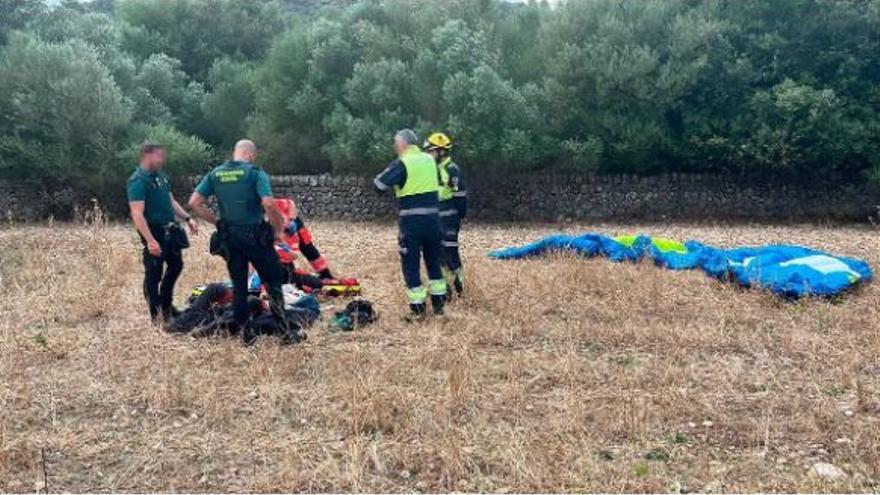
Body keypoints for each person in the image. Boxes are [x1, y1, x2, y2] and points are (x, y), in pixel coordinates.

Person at [188, 139, 302, 345]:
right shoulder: (255, 173)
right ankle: (285, 333)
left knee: (240, 286)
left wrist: (217, 222)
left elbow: (194, 202)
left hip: (230, 236)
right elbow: (268, 203)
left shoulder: (215, 174)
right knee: (273, 281)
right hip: (255, 235)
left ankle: (245, 335)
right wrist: (277, 229)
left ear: (235, 153)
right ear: (251, 155)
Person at [374, 129, 447, 319]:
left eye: (395, 143)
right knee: (434, 263)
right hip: (434, 221)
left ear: (403, 144)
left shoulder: (403, 162)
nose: (394, 146)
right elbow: (439, 184)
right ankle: (439, 309)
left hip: (411, 224)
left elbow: (379, 185)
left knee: (411, 265)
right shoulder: (430, 160)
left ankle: (418, 311)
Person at [127, 142, 198, 325]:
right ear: (148, 155)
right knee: (154, 274)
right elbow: (136, 213)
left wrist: (188, 218)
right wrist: (150, 240)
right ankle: (156, 316)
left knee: (176, 266)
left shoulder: (162, 177)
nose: (162, 160)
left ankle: (166, 306)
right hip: (154, 231)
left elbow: (171, 200)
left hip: (171, 230)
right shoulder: (138, 180)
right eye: (159, 156)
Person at [424, 132, 467, 296]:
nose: (428, 154)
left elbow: (460, 196)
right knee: (438, 254)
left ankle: (459, 288)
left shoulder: (452, 169)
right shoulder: (433, 168)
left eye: (431, 150)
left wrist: (459, 216)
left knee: (451, 253)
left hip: (449, 218)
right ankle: (445, 288)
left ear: (441, 151)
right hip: (436, 218)